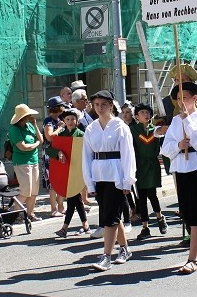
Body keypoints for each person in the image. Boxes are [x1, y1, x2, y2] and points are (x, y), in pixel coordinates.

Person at [161, 82, 197, 274]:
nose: (181, 102)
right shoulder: (176, 121)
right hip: (181, 166)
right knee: (186, 213)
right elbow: (166, 149)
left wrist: (188, 120)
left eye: (184, 98)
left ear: (195, 98)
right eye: (178, 99)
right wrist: (178, 144)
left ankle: (191, 258)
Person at [81, 90, 136, 270]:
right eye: (96, 105)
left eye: (103, 104)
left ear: (111, 105)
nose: (100, 108)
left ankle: (106, 256)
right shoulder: (91, 128)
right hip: (99, 175)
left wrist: (128, 180)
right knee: (109, 214)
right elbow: (87, 156)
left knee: (110, 218)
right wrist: (89, 181)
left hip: (116, 175)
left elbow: (128, 154)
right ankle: (125, 248)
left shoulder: (120, 126)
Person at [49, 107, 90, 238]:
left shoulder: (81, 135)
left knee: (73, 198)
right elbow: (49, 150)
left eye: (73, 119)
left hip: (77, 171)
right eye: (68, 119)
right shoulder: (60, 136)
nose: (70, 121)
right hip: (66, 171)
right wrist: (58, 152)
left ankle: (65, 228)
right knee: (75, 199)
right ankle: (85, 225)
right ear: (64, 121)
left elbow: (87, 152)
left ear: (77, 121)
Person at [130, 103, 167, 240]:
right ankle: (145, 227)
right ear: (137, 116)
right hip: (139, 166)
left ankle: (160, 217)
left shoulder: (156, 130)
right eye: (142, 112)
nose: (145, 115)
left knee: (152, 194)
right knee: (141, 198)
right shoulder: (132, 130)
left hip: (152, 165)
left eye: (147, 112)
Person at [9, 103, 42, 221]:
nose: (30, 117)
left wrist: (35, 125)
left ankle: (30, 214)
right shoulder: (14, 129)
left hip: (34, 161)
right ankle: (16, 213)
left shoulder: (29, 125)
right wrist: (36, 144)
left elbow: (41, 139)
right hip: (22, 162)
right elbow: (23, 147)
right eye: (28, 116)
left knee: (34, 191)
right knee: (25, 191)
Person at [42, 96, 66, 217]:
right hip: (51, 153)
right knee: (53, 183)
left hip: (60, 152)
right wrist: (61, 128)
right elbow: (49, 137)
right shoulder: (49, 121)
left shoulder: (58, 120)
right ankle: (53, 209)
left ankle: (61, 207)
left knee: (60, 180)